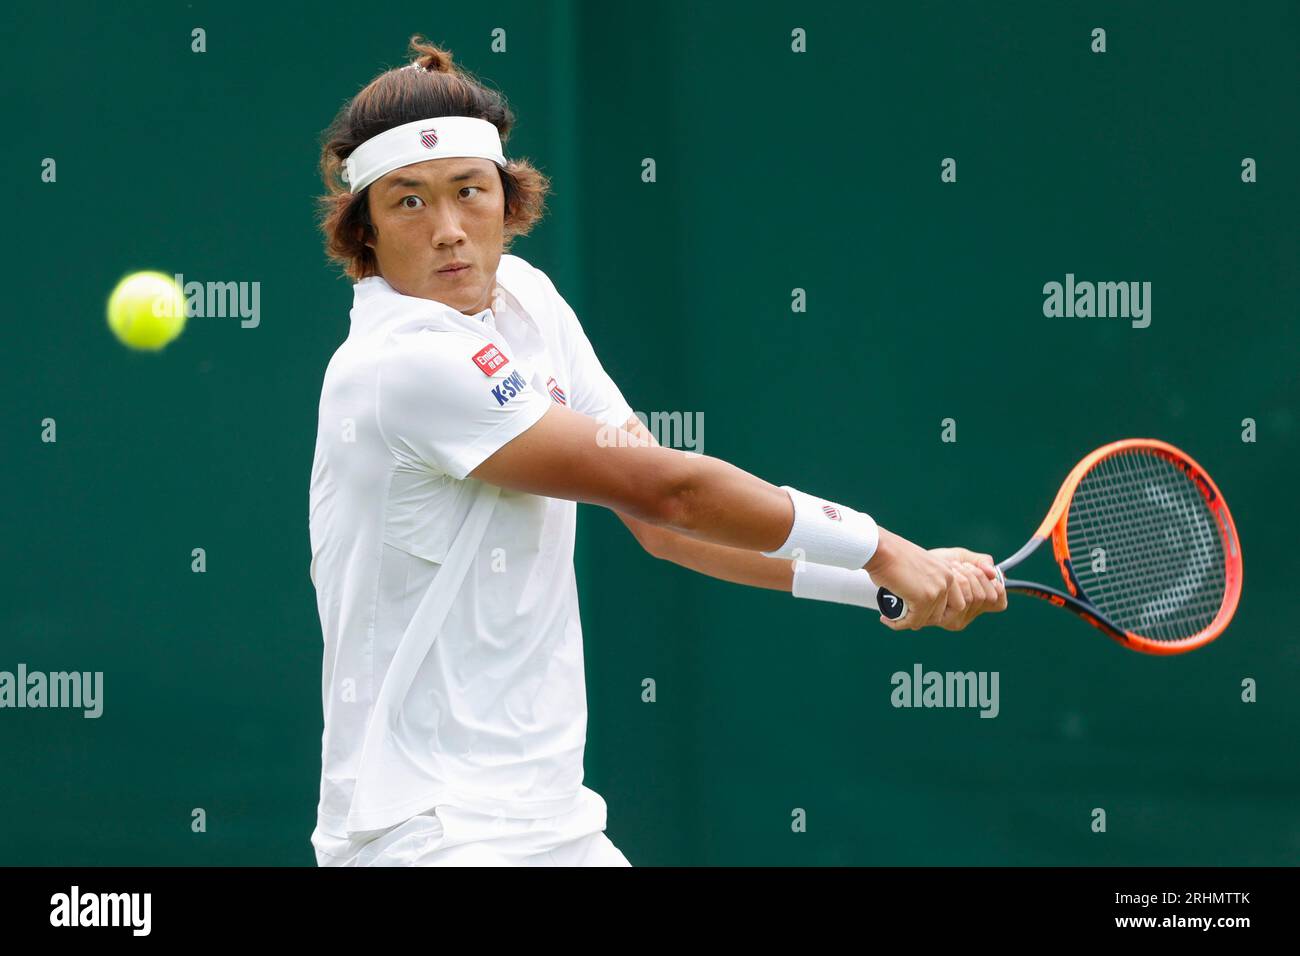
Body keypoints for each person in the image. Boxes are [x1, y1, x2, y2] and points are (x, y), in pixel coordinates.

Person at [307, 35, 1006, 867]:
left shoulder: (526, 299)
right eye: (409, 203)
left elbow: (660, 526)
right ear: (367, 234)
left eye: (469, 191)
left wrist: (877, 582)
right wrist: (884, 547)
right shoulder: (402, 364)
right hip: (426, 835)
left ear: (508, 197)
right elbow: (670, 489)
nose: (451, 230)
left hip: (551, 822)